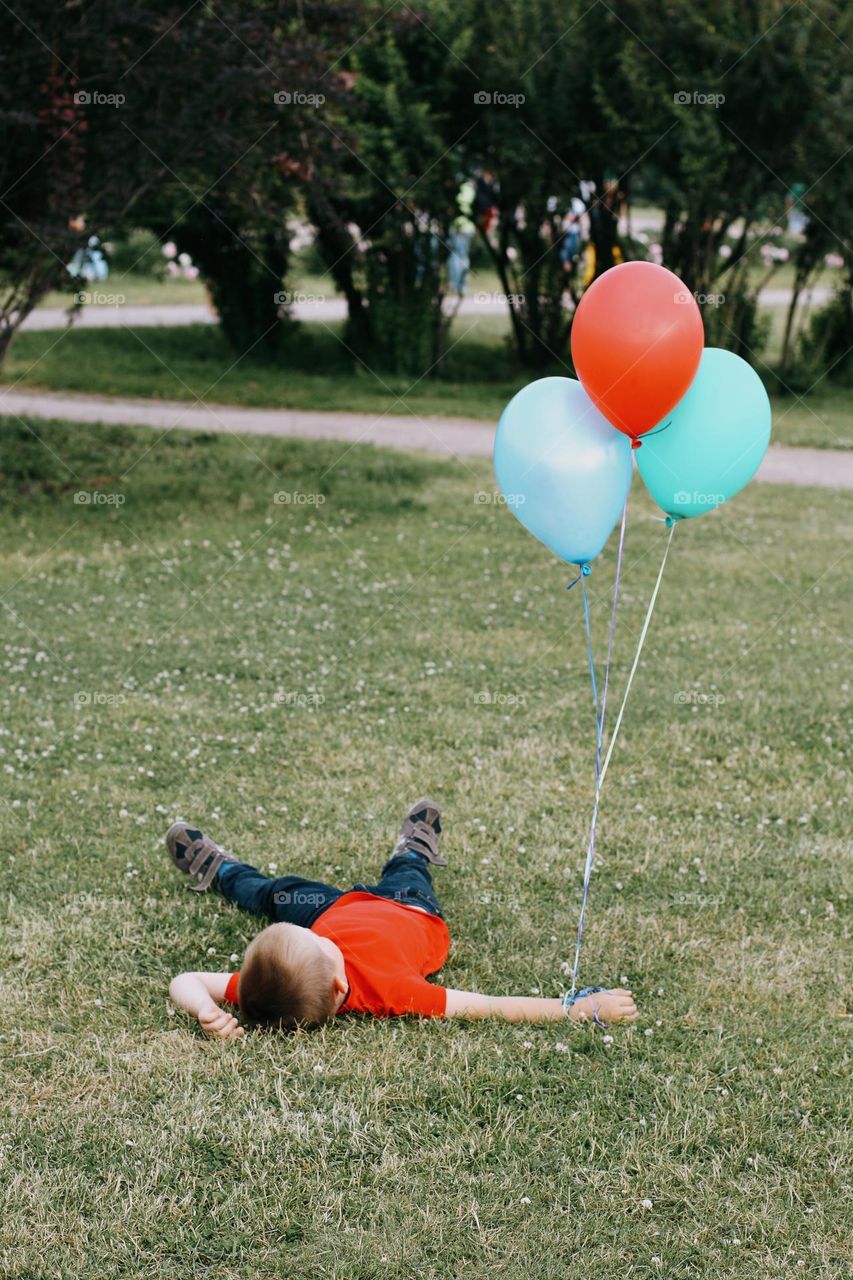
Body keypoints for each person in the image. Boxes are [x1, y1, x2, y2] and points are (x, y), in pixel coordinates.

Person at [166, 799, 638, 1038]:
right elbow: (487, 1004)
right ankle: (414, 847)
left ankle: (223, 870)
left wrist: (205, 1009)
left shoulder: (268, 983)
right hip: (408, 907)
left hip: (333, 908)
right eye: (319, 945)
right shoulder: (394, 992)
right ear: (338, 989)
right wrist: (574, 1009)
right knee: (408, 872)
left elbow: (185, 978)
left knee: (277, 894)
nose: (322, 941)